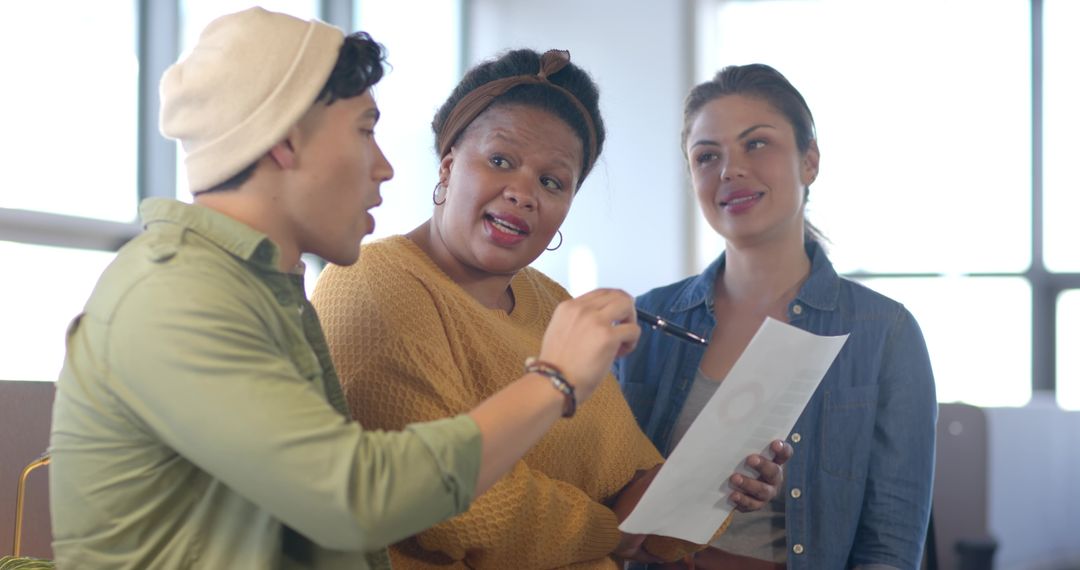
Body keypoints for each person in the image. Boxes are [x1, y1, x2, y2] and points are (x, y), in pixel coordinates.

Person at [47, 9, 644, 570]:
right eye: (364, 131)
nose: (383, 166)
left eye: (551, 181)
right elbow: (356, 498)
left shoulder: (258, 292)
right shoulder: (177, 296)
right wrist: (555, 380)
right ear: (285, 138)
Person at [311, 49, 791, 570]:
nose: (522, 193)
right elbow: (454, 509)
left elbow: (629, 479)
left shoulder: (552, 302)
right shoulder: (372, 284)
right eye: (499, 161)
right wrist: (609, 532)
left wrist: (717, 475)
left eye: (552, 182)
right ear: (448, 166)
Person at [614, 64, 937, 570]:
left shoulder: (884, 333)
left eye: (756, 144)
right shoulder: (647, 321)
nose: (730, 170)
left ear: (809, 162)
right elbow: (600, 509)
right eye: (707, 156)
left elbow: (890, 550)